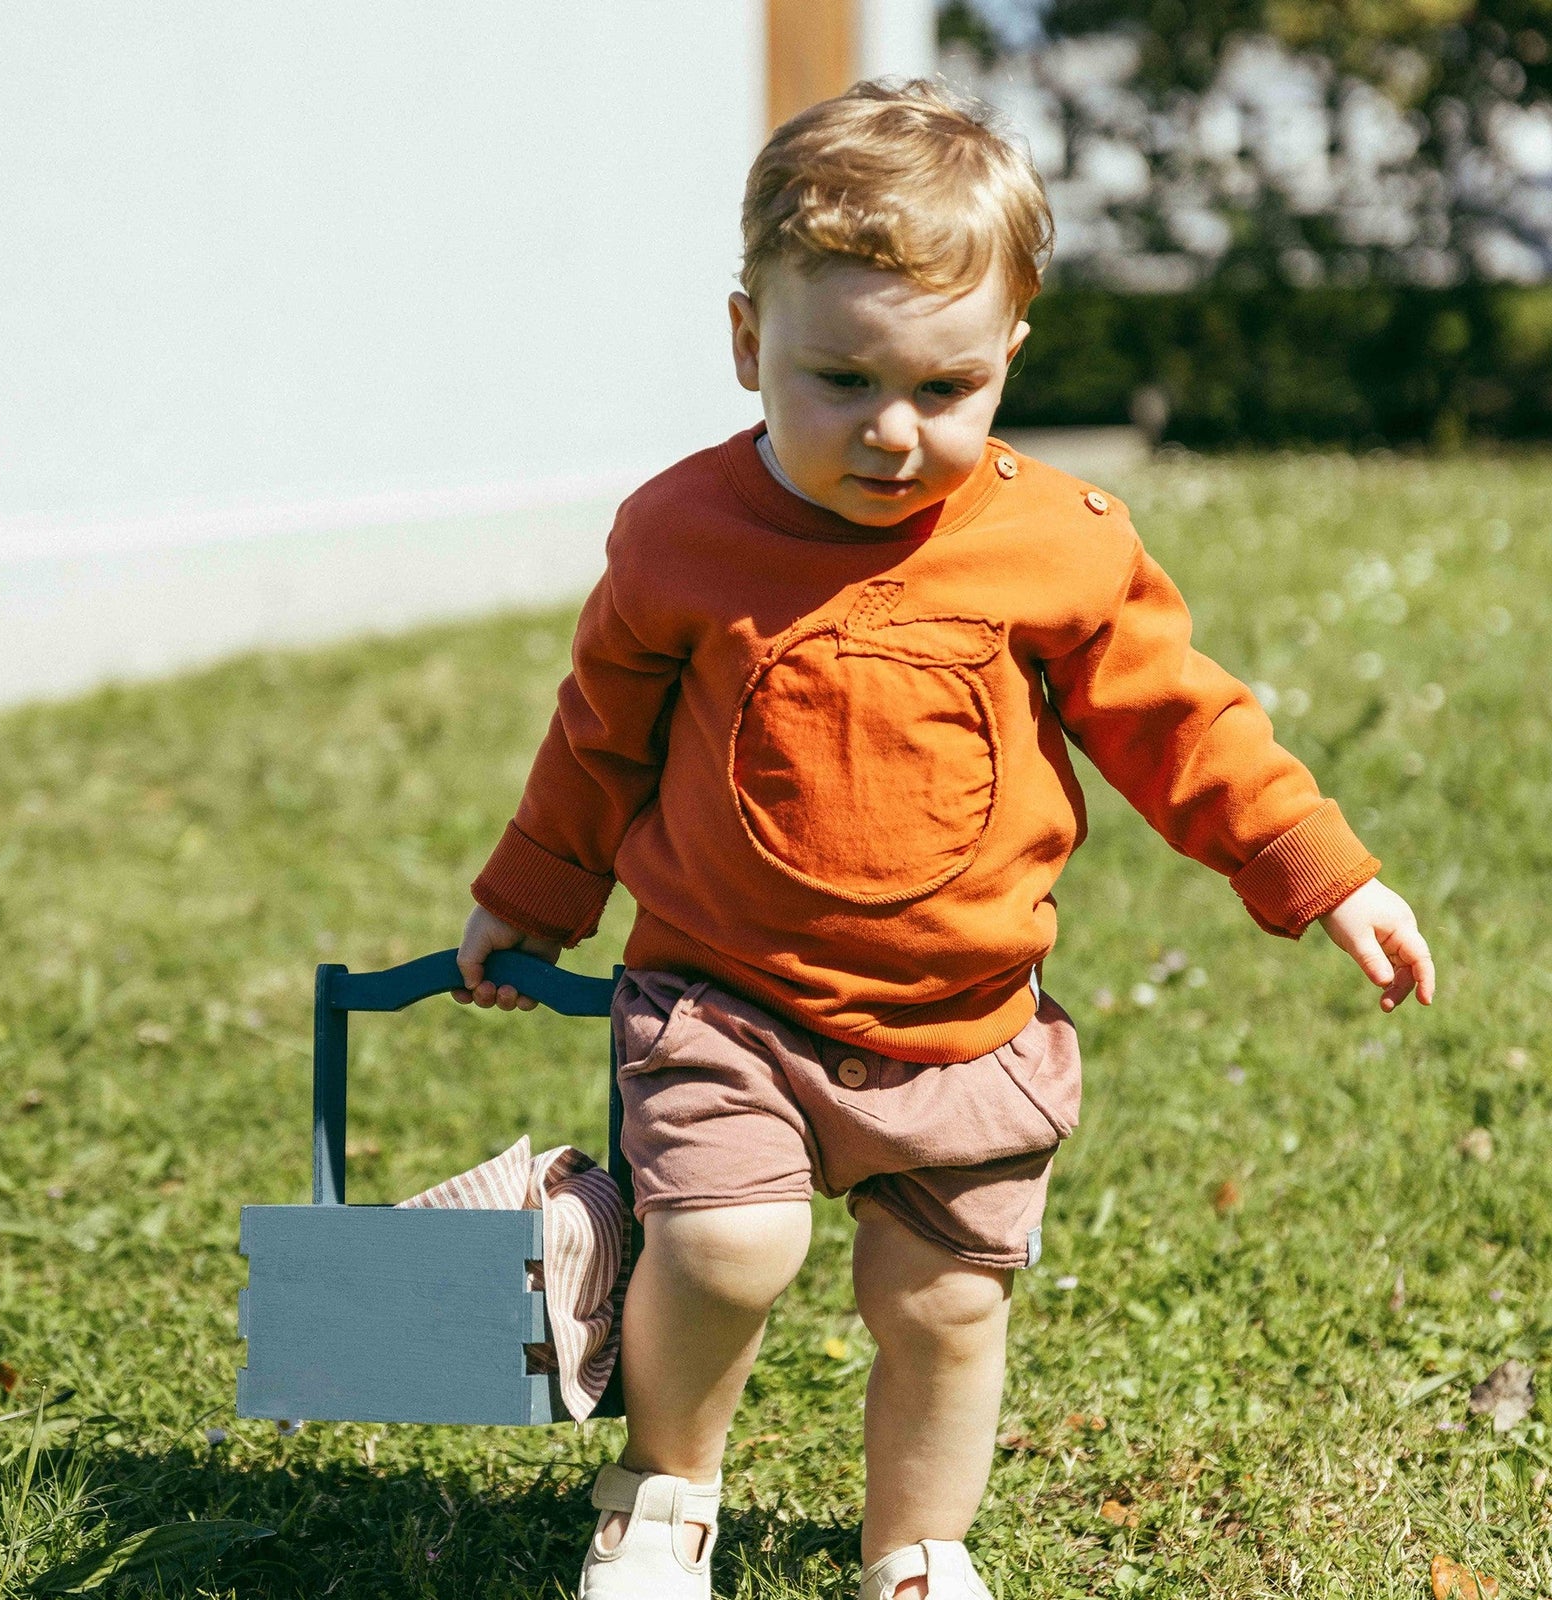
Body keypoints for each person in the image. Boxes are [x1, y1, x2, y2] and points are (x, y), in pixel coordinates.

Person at [451, 78, 1435, 1600]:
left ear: (1010, 359)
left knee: (944, 1308)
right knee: (725, 1251)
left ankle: (917, 1544)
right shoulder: (680, 537)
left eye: (947, 389)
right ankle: (661, 1499)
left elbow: (1184, 725)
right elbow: (601, 736)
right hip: (728, 999)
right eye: (837, 380)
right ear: (743, 343)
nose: (895, 434)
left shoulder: (1060, 542)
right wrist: (530, 895)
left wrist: (1326, 872)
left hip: (967, 1022)